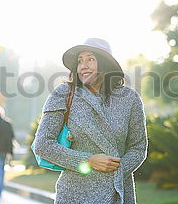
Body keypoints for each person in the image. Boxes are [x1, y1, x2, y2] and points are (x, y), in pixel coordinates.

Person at [34, 38, 148, 204]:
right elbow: (43, 145)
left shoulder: (130, 99)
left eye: (90, 59)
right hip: (74, 195)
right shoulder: (63, 93)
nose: (83, 66)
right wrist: (89, 161)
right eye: (80, 61)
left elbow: (138, 147)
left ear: (105, 64)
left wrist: (115, 170)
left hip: (117, 193)